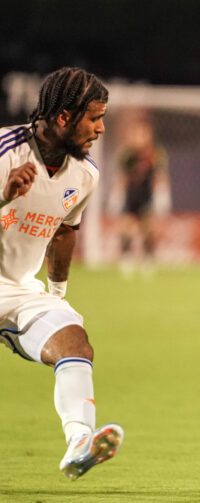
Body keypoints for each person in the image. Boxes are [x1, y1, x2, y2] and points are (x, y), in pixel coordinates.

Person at [0, 67, 124, 480]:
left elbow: (65, 231)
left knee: (74, 341)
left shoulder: (84, 175)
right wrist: (3, 198)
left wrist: (57, 294)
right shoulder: (4, 152)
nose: (102, 128)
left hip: (16, 290)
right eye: (95, 117)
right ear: (63, 117)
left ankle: (80, 442)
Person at [108, 116, 170, 276]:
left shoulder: (155, 155)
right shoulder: (127, 155)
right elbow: (122, 177)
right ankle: (126, 260)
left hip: (146, 196)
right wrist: (116, 197)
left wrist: (162, 196)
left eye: (143, 134)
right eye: (136, 134)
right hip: (131, 197)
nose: (139, 137)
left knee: (148, 229)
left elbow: (160, 177)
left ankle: (148, 261)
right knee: (126, 229)